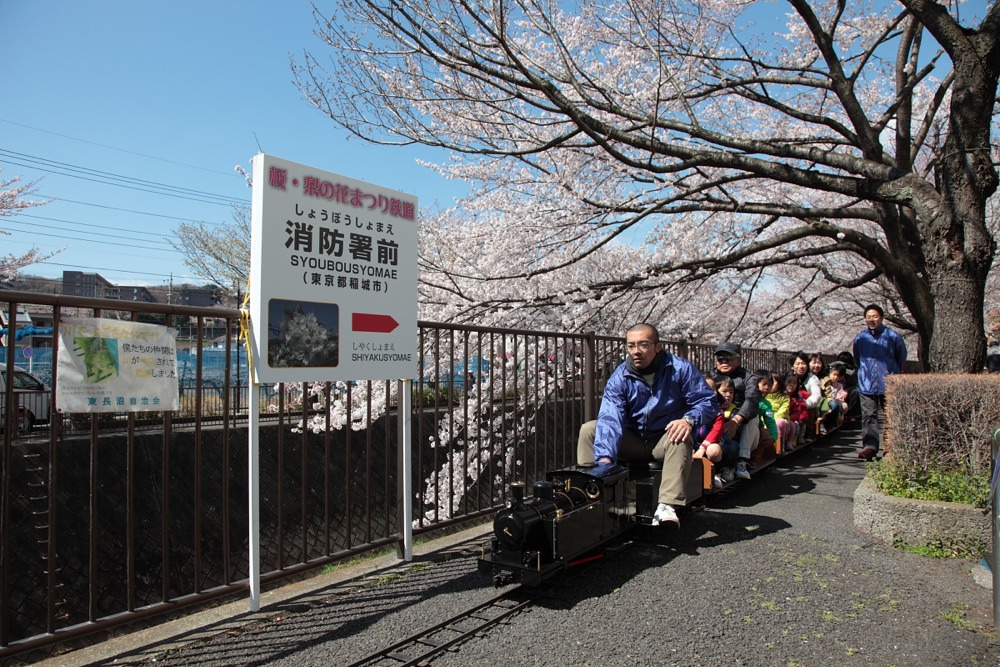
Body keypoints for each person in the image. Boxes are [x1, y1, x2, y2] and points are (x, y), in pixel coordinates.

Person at [577, 323, 717, 527]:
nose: (636, 351)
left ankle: (667, 505)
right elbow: (610, 417)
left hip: (664, 439)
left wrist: (688, 419)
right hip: (634, 439)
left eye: (643, 344)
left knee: (680, 435)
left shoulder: (679, 368)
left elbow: (707, 401)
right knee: (590, 428)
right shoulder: (620, 376)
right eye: (631, 345)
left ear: (657, 346)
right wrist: (604, 462)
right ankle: (590, 493)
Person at [852, 304, 907, 460]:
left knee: (890, 415)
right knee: (868, 416)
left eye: (875, 316)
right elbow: (857, 358)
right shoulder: (860, 337)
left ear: (882, 318)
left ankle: (889, 446)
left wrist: (893, 372)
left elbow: (900, 357)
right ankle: (870, 447)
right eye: (868, 317)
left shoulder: (892, 336)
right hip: (866, 383)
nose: (871, 319)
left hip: (888, 381)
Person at [713, 342, 759, 480]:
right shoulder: (710, 376)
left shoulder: (748, 378)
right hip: (718, 418)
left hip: (743, 424)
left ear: (738, 360)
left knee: (753, 417)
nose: (724, 362)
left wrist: (736, 420)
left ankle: (742, 461)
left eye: (729, 358)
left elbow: (753, 400)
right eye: (720, 358)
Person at [693, 376, 738, 487]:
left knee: (713, 450)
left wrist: (703, 447)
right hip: (695, 442)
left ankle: (717, 472)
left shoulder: (717, 411)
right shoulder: (689, 408)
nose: (710, 391)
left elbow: (716, 431)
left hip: (715, 442)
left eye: (713, 388)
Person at [789, 351, 822, 439]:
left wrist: (803, 404)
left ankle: (807, 435)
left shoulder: (812, 378)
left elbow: (816, 396)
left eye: (803, 363)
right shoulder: (788, 378)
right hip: (790, 405)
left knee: (808, 411)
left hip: (806, 406)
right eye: (798, 364)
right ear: (792, 366)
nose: (801, 366)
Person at [764, 372, 794, 448]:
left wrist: (773, 421)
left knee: (782, 423)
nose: (769, 385)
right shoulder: (764, 396)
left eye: (773, 382)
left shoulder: (784, 397)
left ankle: (782, 443)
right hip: (767, 421)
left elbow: (783, 410)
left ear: (779, 384)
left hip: (781, 419)